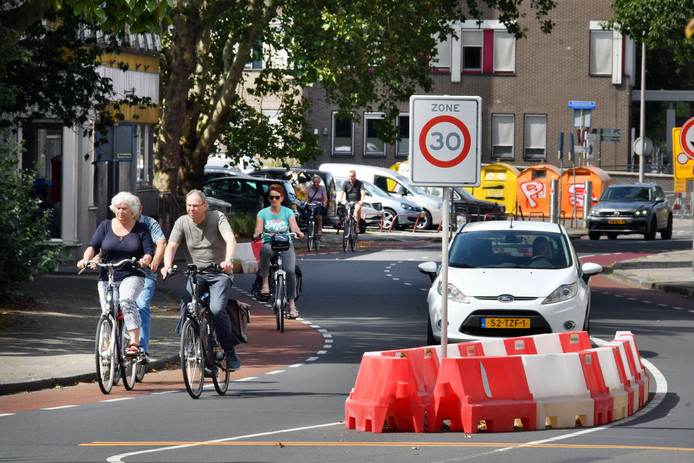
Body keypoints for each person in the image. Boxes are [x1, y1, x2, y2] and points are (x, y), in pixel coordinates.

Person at [160, 190, 241, 370]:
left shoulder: (217, 217)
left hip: (219, 273)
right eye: (189, 205)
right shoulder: (182, 222)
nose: (191, 209)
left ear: (205, 206)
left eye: (195, 205)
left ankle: (229, 351)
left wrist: (228, 261)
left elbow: (230, 239)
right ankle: (191, 342)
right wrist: (167, 265)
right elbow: (172, 245)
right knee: (187, 300)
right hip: (196, 273)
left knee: (217, 309)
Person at [77, 192, 154, 357]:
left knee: (126, 301)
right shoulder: (105, 226)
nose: (120, 212)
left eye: (124, 208)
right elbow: (93, 246)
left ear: (132, 210)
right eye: (118, 208)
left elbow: (148, 251)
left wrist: (145, 260)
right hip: (107, 275)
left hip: (132, 274)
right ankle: (106, 344)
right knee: (107, 310)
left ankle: (134, 343)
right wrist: (85, 259)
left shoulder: (141, 229)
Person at [253, 184, 304, 318]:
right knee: (264, 250)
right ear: (268, 199)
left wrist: (298, 233)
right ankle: (265, 284)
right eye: (271, 197)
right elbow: (258, 230)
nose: (274, 200)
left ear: (282, 198)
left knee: (291, 271)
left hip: (286, 245)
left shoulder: (288, 212)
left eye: (277, 197)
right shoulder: (262, 213)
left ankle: (292, 305)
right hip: (270, 243)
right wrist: (257, 234)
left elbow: (294, 228)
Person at [135, 206, 167, 364]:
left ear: (140, 209)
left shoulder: (149, 223)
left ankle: (142, 349)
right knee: (112, 306)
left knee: (141, 305)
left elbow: (161, 242)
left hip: (145, 272)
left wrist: (155, 262)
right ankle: (109, 344)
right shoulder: (117, 223)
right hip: (124, 272)